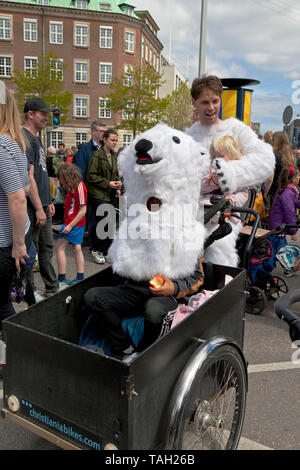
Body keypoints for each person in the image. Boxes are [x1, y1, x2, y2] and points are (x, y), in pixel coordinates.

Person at [186, 75, 275, 267]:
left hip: (227, 212)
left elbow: (266, 159)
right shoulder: (187, 137)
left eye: (215, 101)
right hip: (194, 210)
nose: (211, 107)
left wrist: (230, 174)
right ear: (194, 102)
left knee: (218, 242)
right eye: (204, 102)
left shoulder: (235, 129)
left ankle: (218, 289)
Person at [0, 84, 30, 334]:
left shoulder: (1, 147)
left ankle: (10, 360)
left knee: (1, 305)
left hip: (5, 241)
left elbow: (19, 198)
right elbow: (27, 187)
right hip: (13, 237)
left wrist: (18, 244)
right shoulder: (15, 144)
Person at [23, 97, 59, 300]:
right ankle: (29, 293)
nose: (47, 117)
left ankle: (52, 288)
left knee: (47, 248)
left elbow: (42, 174)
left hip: (43, 204)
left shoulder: (38, 138)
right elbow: (29, 178)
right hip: (31, 206)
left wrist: (48, 202)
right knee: (29, 251)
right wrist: (38, 207)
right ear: (30, 114)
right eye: (42, 113)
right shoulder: (24, 138)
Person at [200, 135, 249, 266]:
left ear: (233, 156)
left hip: (227, 217)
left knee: (220, 243)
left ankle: (222, 270)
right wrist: (213, 182)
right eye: (214, 155)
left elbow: (243, 193)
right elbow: (200, 187)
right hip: (204, 214)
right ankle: (198, 271)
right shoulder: (208, 169)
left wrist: (232, 199)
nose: (217, 159)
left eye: (221, 155)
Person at [86, 129, 122, 264]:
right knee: (104, 223)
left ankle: (106, 251)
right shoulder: (97, 155)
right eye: (113, 140)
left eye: (116, 140)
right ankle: (96, 250)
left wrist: (117, 187)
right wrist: (108, 183)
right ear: (105, 139)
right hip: (98, 194)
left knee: (111, 223)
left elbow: (115, 174)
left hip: (110, 193)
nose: (115, 143)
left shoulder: (114, 156)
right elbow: (91, 176)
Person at [56, 164, 87, 288]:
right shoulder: (76, 186)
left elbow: (83, 209)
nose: (61, 182)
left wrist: (69, 226)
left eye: (62, 179)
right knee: (76, 248)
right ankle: (79, 277)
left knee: (59, 248)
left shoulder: (79, 187)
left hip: (73, 223)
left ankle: (62, 280)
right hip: (74, 222)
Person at [269, 166, 300, 276]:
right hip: (279, 228)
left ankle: (286, 268)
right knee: (279, 250)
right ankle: (272, 270)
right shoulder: (288, 192)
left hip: (277, 226)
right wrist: (293, 231)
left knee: (278, 250)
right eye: (298, 175)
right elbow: (289, 213)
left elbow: (293, 203)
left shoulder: (286, 189)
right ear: (293, 178)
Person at [268, 131, 296, 205]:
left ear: (277, 141)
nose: (271, 142)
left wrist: (265, 193)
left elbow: (270, 179)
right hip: (287, 190)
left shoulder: (275, 156)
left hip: (275, 191)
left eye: (273, 140)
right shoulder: (292, 156)